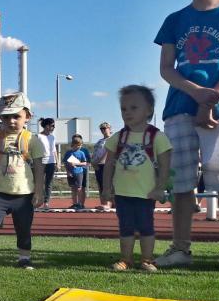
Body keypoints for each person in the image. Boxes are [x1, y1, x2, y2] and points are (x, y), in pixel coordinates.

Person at [153, 0, 219, 268]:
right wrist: (197, 94)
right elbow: (167, 68)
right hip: (180, 106)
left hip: (218, 109)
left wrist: (212, 99)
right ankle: (180, 248)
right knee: (182, 181)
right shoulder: (175, 20)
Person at [101, 85, 172, 271]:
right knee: (126, 227)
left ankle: (147, 260)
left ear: (149, 110)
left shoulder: (157, 137)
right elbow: (108, 164)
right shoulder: (119, 137)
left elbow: (165, 165)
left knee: (146, 227)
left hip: (146, 194)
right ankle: (126, 260)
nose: (127, 112)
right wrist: (106, 188)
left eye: (134, 108)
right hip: (122, 194)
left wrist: (160, 187)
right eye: (124, 108)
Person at [0, 93, 46, 269]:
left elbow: (39, 168)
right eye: (6, 117)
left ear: (27, 117)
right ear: (0, 118)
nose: (11, 121)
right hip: (0, 194)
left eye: (16, 116)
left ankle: (24, 258)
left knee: (23, 228)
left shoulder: (32, 140)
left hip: (24, 195)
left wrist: (39, 191)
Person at [63, 134, 90, 209]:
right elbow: (65, 163)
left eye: (80, 145)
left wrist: (76, 163)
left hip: (80, 172)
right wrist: (68, 172)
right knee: (73, 188)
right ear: (73, 144)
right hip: (71, 173)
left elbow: (85, 162)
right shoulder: (68, 153)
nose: (79, 146)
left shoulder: (82, 152)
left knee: (79, 188)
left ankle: (80, 204)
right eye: (78, 145)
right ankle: (74, 204)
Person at [92, 122, 114, 210]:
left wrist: (99, 161)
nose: (103, 130)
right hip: (98, 165)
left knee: (107, 185)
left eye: (105, 128)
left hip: (107, 164)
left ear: (109, 128)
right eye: (101, 129)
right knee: (100, 184)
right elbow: (95, 153)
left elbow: (109, 152)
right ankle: (103, 203)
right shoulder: (99, 141)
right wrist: (94, 163)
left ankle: (108, 203)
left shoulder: (112, 139)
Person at [36, 118, 57, 210]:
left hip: (51, 162)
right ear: (46, 126)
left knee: (48, 183)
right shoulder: (38, 136)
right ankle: (36, 201)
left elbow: (54, 150)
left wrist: (57, 162)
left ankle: (46, 202)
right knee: (38, 183)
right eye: (52, 125)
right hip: (41, 162)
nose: (53, 127)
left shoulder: (52, 137)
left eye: (54, 126)